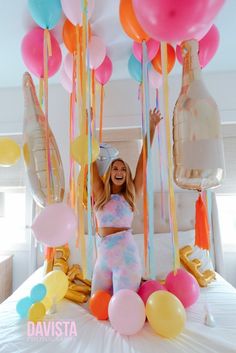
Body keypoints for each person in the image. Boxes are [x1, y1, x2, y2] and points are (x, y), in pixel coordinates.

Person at [91, 108, 162, 295]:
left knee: (124, 305)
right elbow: (88, 158)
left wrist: (152, 128)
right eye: (115, 168)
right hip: (104, 257)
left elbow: (142, 161)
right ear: (110, 173)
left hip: (126, 258)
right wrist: (89, 127)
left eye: (123, 169)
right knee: (97, 305)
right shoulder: (100, 194)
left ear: (127, 174)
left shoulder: (130, 195)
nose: (119, 172)